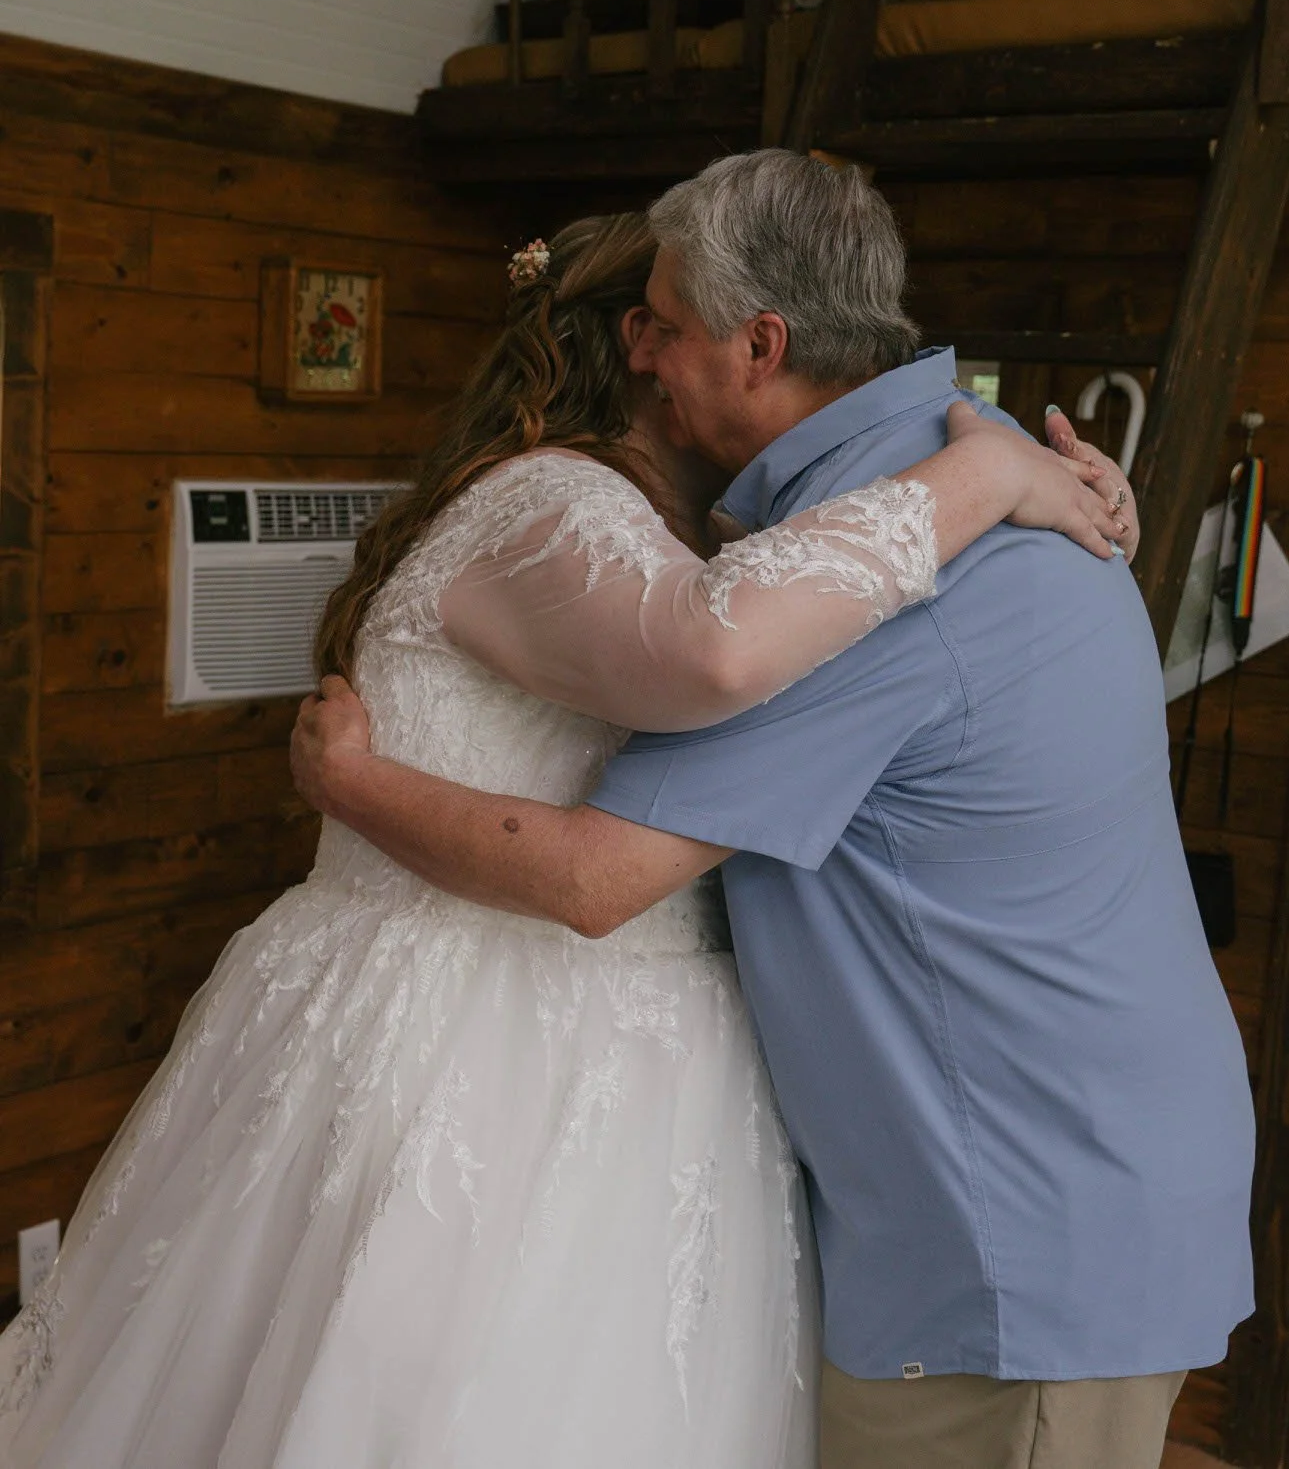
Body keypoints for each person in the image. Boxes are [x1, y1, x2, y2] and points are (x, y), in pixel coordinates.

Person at [0, 209, 1131, 1469]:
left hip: (614, 1055)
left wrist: (1068, 488)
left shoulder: (673, 531)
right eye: (659, 330)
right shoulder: (555, 508)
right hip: (479, 1051)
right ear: (641, 359)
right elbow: (707, 649)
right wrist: (989, 476)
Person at [293, 150, 1257, 1469]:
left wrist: (349, 781)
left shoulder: (886, 573)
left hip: (1012, 1237)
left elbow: (595, 874)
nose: (643, 357)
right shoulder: (981, 480)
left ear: (763, 343)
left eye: (669, 327)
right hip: (1070, 1169)